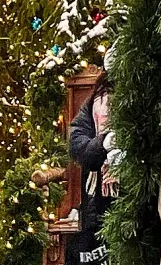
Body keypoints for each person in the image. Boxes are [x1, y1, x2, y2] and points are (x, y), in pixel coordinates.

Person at [67, 82, 115, 265]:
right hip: (94, 204)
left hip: (130, 204)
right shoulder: (93, 101)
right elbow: (77, 145)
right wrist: (104, 142)